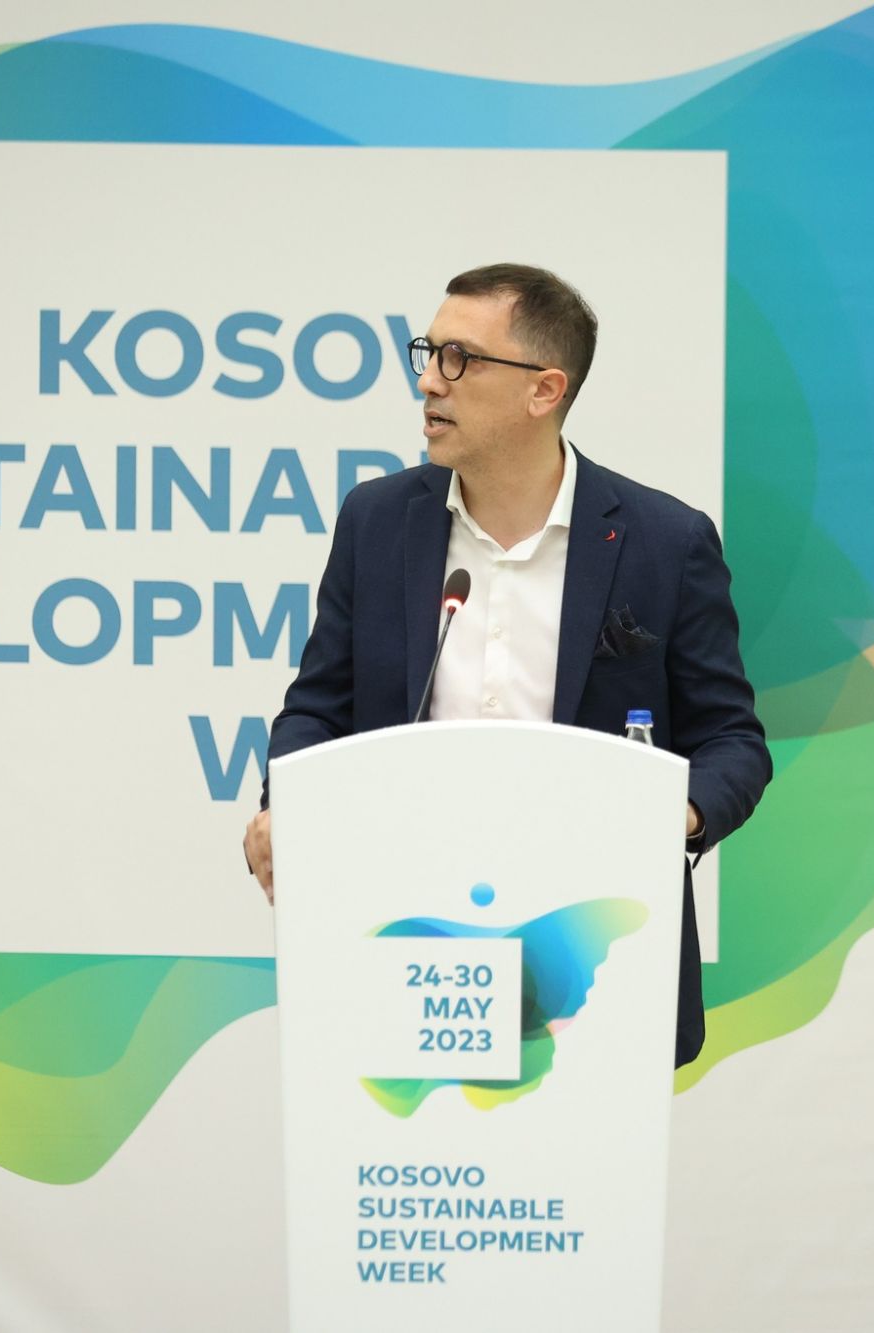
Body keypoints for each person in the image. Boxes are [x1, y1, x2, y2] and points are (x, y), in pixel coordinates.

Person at [243, 263, 771, 1067]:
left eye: (460, 358)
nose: (430, 381)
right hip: (402, 931)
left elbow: (732, 740)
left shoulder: (665, 542)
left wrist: (674, 813)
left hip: (589, 949)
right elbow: (318, 708)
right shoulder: (378, 522)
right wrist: (288, 803)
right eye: (428, 353)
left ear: (543, 390)